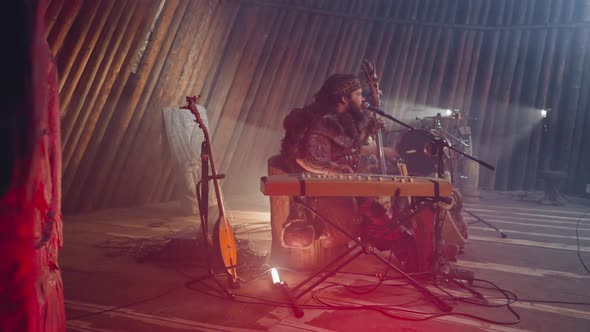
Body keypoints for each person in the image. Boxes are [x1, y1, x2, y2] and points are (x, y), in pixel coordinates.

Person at [280, 73, 417, 270]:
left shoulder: (343, 120)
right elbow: (305, 158)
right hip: (328, 192)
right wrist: (332, 169)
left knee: (395, 204)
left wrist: (378, 150)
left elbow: (348, 149)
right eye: (359, 94)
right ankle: (401, 245)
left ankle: (402, 245)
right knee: (379, 214)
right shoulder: (323, 123)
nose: (363, 99)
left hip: (347, 184)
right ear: (344, 99)